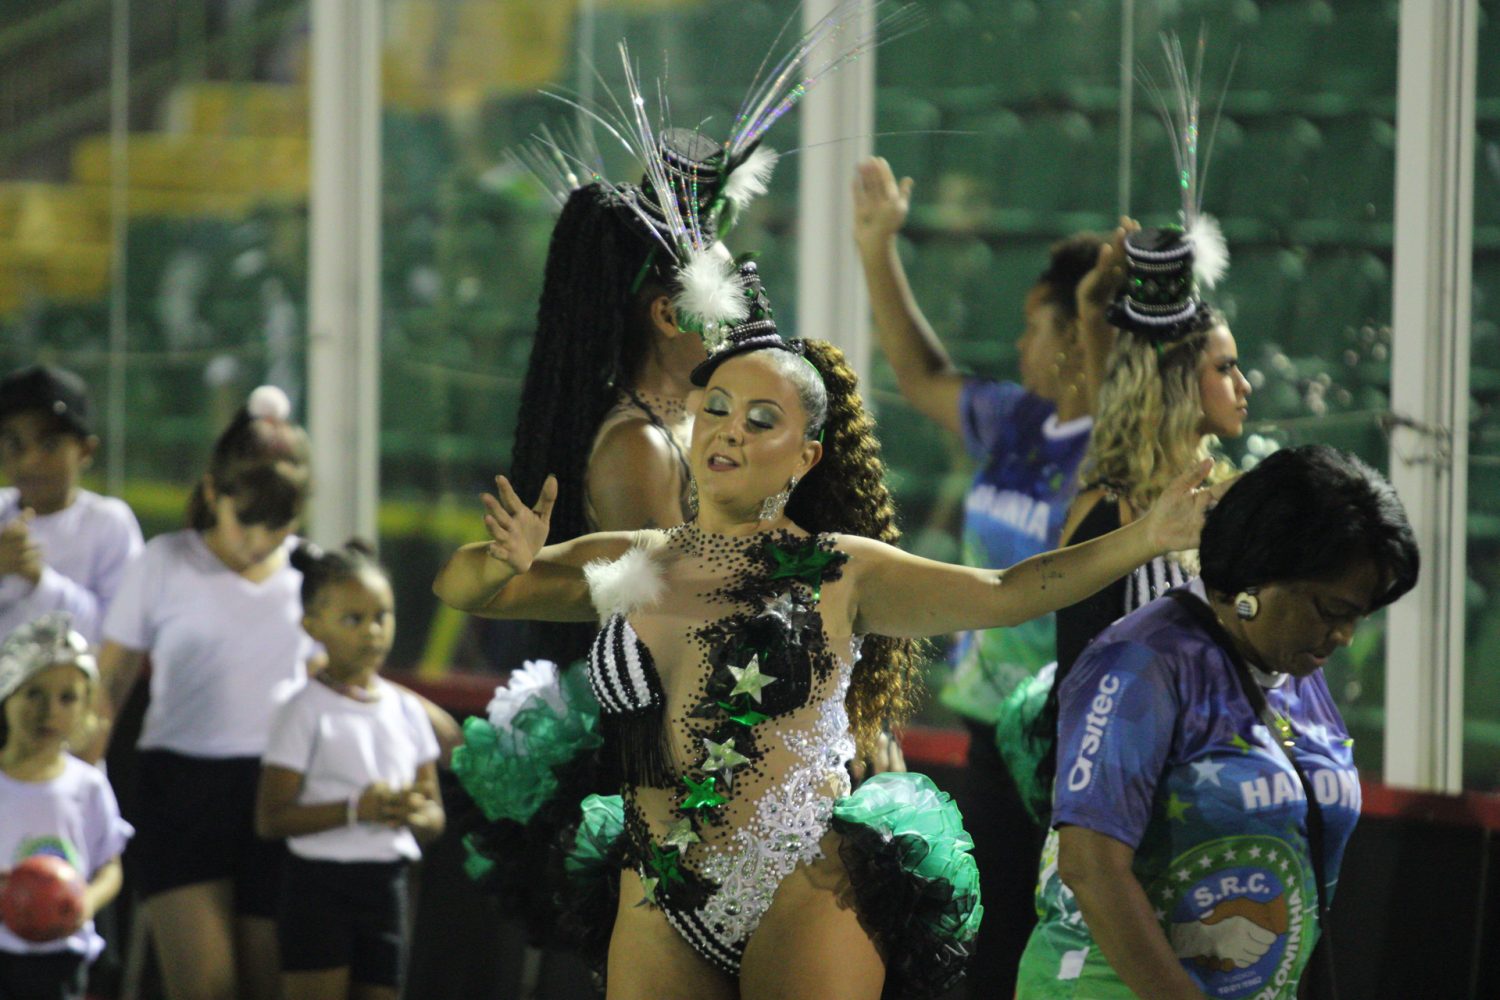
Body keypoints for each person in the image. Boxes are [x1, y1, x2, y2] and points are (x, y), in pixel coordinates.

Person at [434, 286, 1217, 999]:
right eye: (716, 409)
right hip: (657, 884)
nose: (729, 433)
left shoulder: (842, 569)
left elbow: (1009, 594)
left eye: (761, 420)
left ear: (807, 456)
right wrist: (502, 560)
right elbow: (464, 589)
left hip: (803, 882)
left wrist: (1145, 537)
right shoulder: (632, 559)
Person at [852, 155, 1122, 993]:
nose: (1018, 342)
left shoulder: (1119, 449)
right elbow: (921, 375)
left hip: (1070, 738)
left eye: (1034, 324)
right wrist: (875, 251)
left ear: (1080, 336)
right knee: (982, 946)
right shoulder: (1016, 420)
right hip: (984, 735)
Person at [1015, 444, 1419, 999]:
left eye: (1359, 614)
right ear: (1257, 573)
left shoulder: (1294, 661)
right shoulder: (1141, 663)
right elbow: (1091, 867)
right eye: (1331, 610)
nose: (1345, 636)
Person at [97, 385, 314, 1000]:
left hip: (279, 792)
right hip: (180, 792)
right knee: (209, 988)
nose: (259, 540)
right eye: (247, 519)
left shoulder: (311, 573)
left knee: (268, 986)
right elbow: (107, 686)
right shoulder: (165, 562)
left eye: (280, 524)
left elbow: (341, 685)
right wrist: (71, 783)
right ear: (214, 492)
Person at [256, 540, 444, 1000]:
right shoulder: (300, 710)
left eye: (382, 616)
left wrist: (412, 814)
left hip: (388, 888)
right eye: (353, 619)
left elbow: (434, 814)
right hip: (318, 888)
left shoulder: (407, 710)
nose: (372, 632)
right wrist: (357, 809)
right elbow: (271, 818)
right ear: (312, 626)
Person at [0, 613, 132, 1000]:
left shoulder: (87, 786)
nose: (49, 711)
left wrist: (84, 902)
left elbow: (110, 865)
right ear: (8, 694)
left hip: (61, 957)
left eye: (67, 697)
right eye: (34, 693)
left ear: (86, 707)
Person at [0, 365, 144, 644]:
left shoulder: (108, 523)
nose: (29, 460)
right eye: (13, 442)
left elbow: (120, 641)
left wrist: (38, 579)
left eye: (49, 444)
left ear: (85, 450)